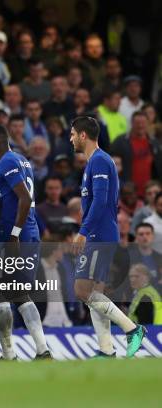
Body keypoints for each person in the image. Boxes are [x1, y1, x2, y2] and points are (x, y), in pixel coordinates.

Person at [69, 116, 146, 358]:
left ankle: (132, 329)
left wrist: (83, 231)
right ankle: (106, 349)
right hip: (101, 233)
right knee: (93, 292)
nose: (70, 138)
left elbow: (101, 201)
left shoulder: (100, 161)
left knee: (82, 290)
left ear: (83, 135)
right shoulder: (94, 163)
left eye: (72, 133)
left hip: (98, 234)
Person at [0, 123, 51, 360]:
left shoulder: (7, 162)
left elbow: (25, 197)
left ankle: (11, 355)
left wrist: (12, 235)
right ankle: (40, 350)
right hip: (23, 232)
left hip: (18, 236)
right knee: (17, 292)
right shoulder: (21, 159)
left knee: (1, 293)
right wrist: (0, 233)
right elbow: (16, 203)